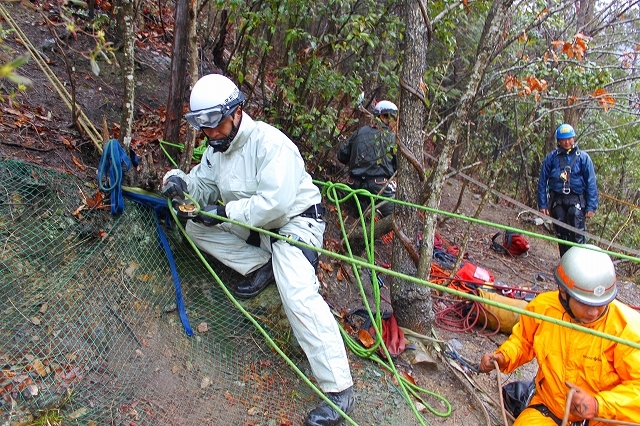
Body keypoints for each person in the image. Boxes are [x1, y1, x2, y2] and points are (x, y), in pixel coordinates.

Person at [161, 74, 355, 425]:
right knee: (194, 226)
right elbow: (200, 188)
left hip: (294, 226)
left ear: (235, 113)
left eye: (215, 123)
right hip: (254, 227)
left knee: (297, 293)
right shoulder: (216, 150)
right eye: (203, 127)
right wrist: (177, 182)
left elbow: (275, 205)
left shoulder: (270, 144)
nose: (210, 133)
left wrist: (224, 213)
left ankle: (339, 389)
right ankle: (259, 267)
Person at [479, 245, 640, 426]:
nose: (593, 313)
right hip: (549, 410)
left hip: (603, 420)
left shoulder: (627, 329)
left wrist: (598, 405)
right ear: (563, 293)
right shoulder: (544, 309)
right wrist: (503, 357)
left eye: (601, 303)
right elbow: (523, 341)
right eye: (585, 304)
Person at [537, 123, 598, 257]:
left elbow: (591, 183)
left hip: (576, 199)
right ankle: (565, 263)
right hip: (557, 200)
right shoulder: (552, 158)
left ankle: (579, 264)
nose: (567, 142)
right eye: (564, 139)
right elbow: (542, 181)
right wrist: (542, 204)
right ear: (559, 141)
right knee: (561, 234)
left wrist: (591, 207)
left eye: (570, 138)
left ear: (574, 138)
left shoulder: (583, 158)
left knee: (577, 232)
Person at [337, 100, 398, 217]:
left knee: (354, 216)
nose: (393, 122)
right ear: (382, 117)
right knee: (397, 213)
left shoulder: (359, 132)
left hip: (353, 185)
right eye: (391, 118)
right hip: (378, 188)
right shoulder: (392, 138)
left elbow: (341, 155)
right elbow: (398, 167)